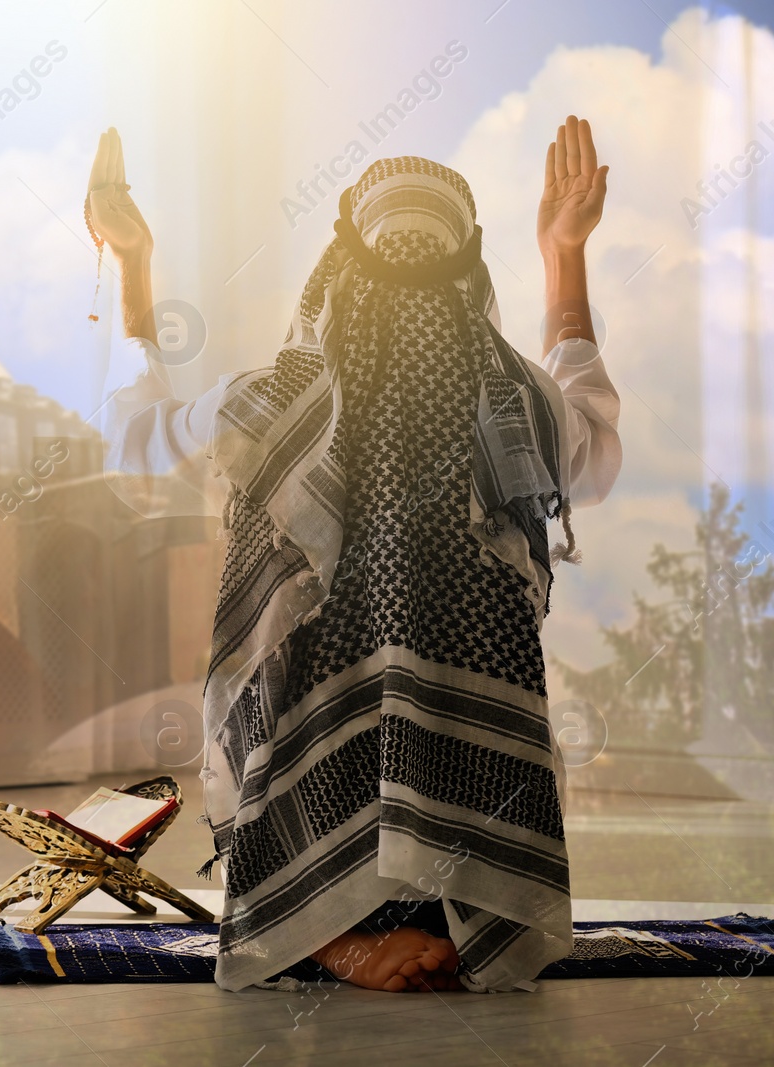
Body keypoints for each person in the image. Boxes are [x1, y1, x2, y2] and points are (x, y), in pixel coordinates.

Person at [88, 118, 621, 993]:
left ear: (343, 264)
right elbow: (592, 421)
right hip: (470, 790)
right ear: (470, 266)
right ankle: (440, 920)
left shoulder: (282, 403)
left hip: (312, 759)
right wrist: (565, 255)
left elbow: (136, 444)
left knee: (296, 657)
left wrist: (131, 265)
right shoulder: (517, 406)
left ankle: (318, 922)